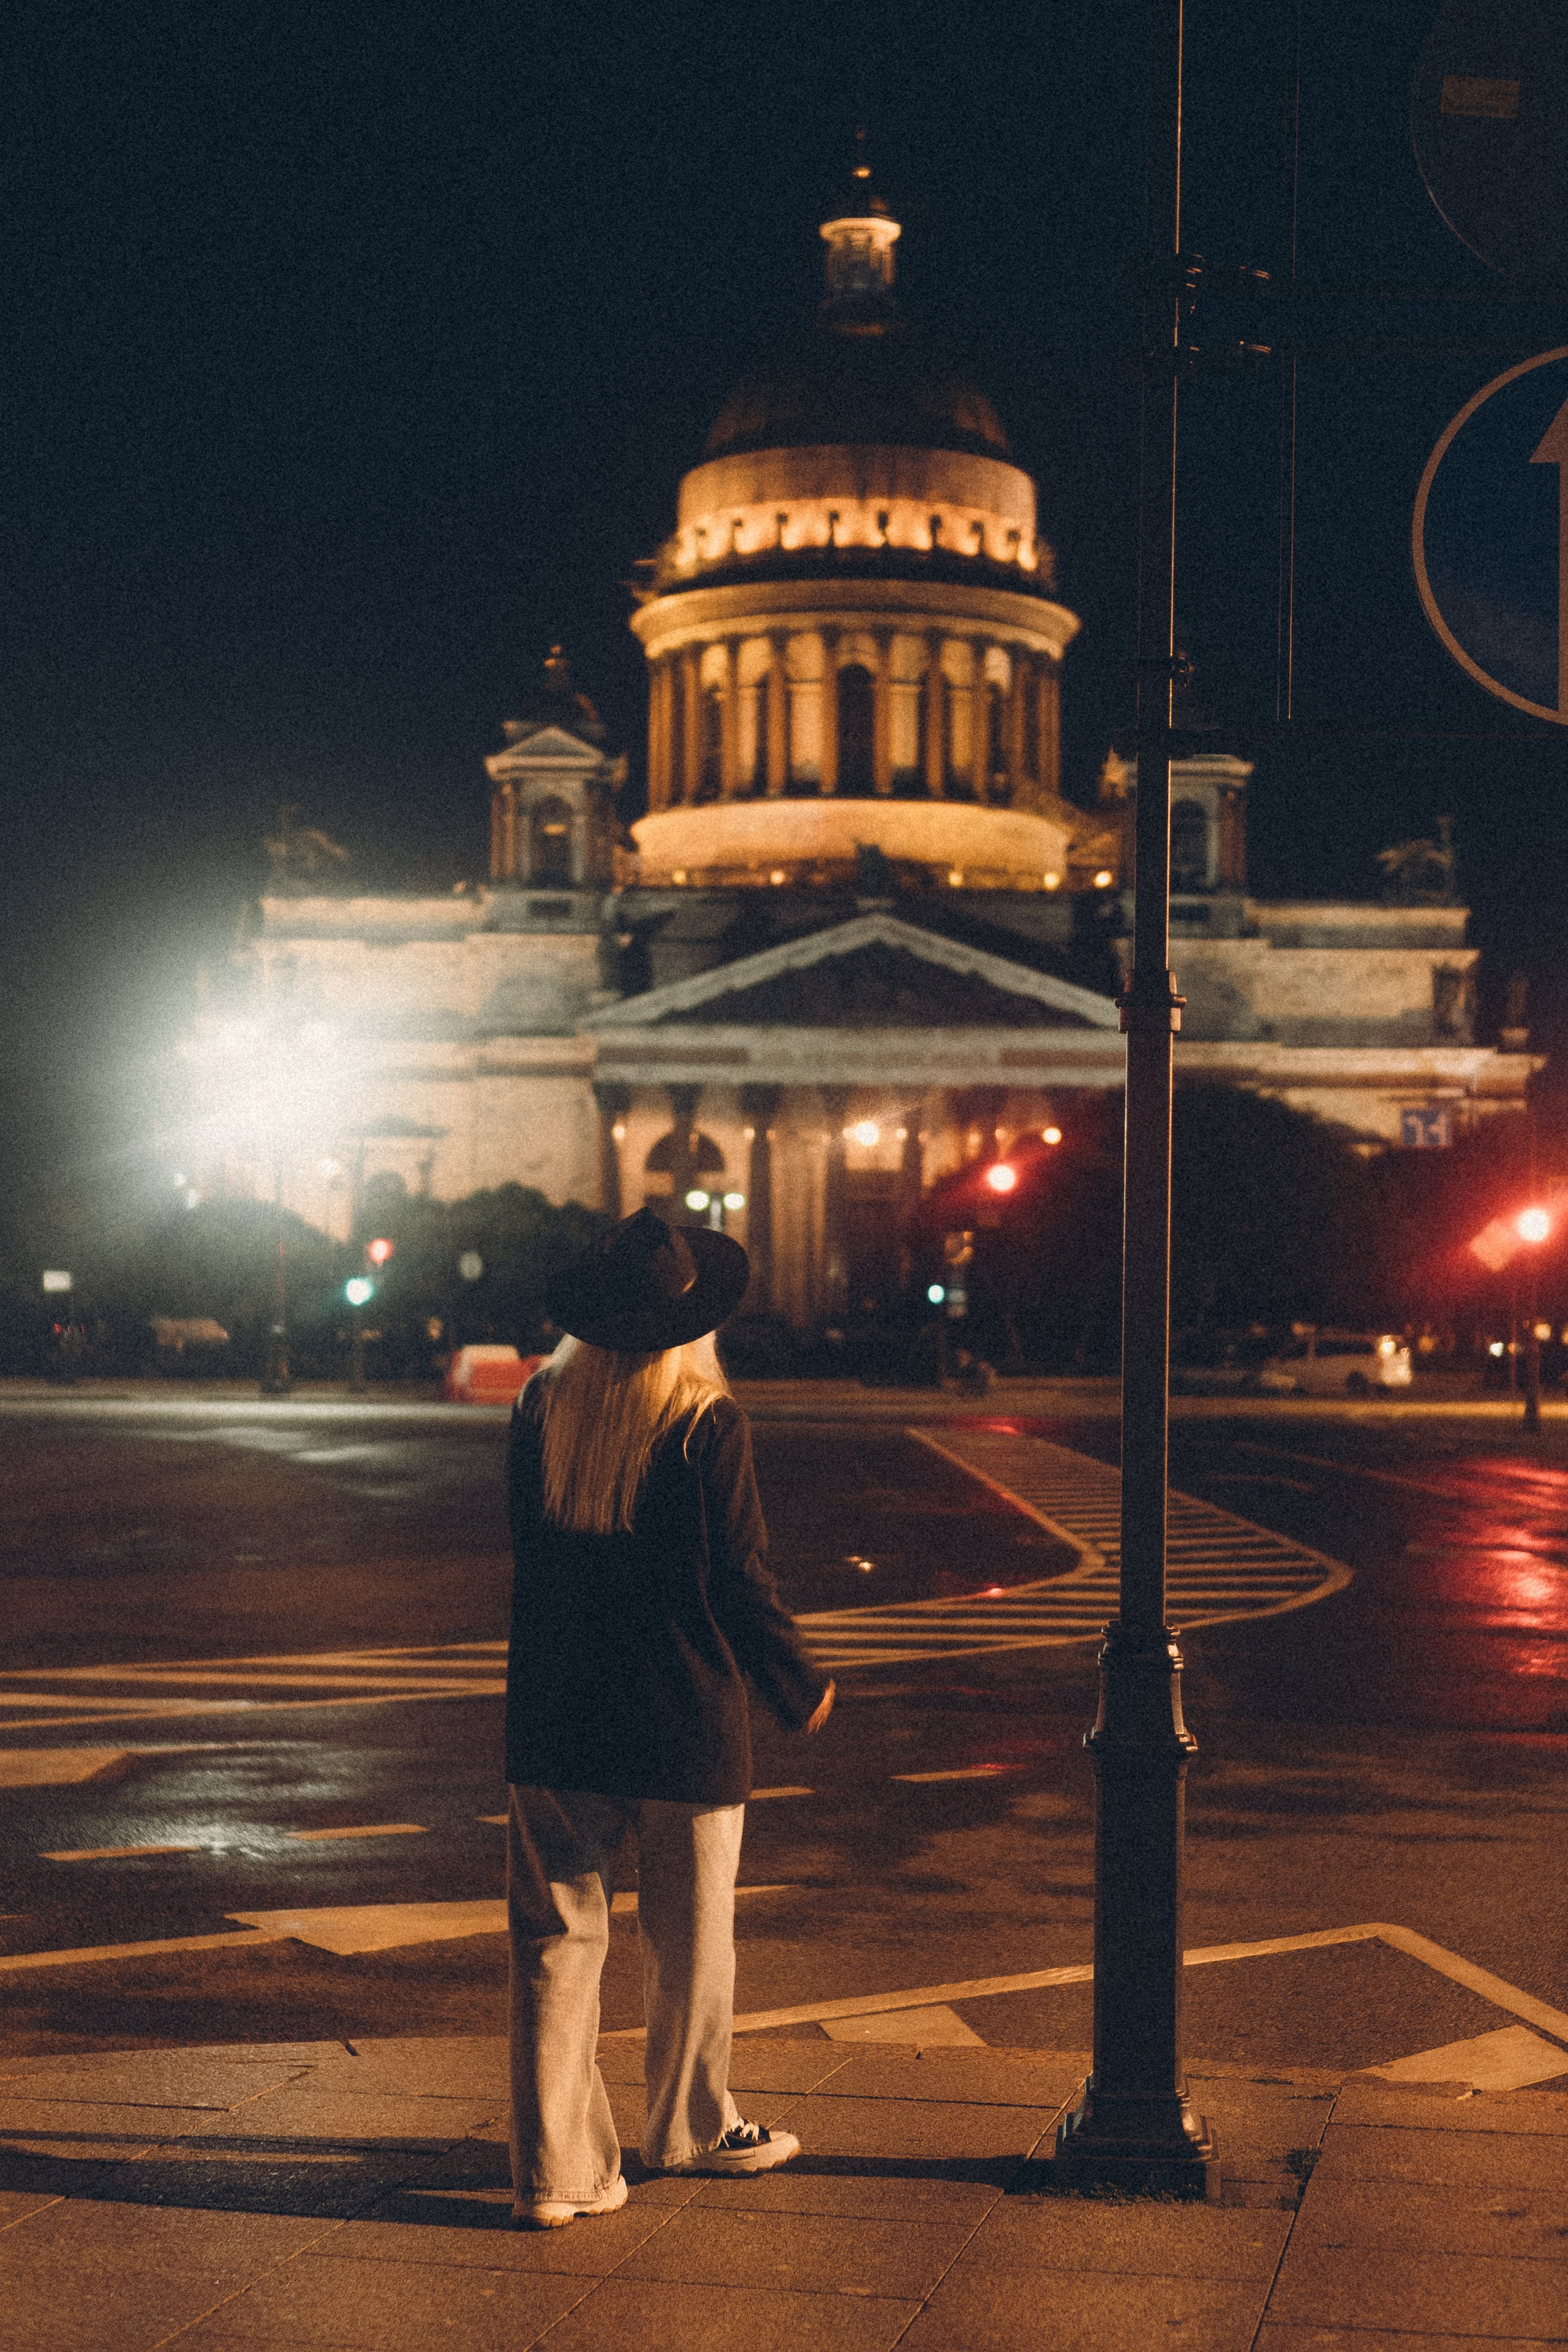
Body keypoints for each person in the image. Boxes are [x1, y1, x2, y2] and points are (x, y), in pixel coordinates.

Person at [503, 1205, 835, 2228]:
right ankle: (688, 2128)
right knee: (693, 1941)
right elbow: (742, 1580)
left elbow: (531, 1558)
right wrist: (796, 1684)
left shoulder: (538, 1406)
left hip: (557, 1714)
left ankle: (553, 2178)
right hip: (684, 1712)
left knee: (557, 1946)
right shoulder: (704, 1421)